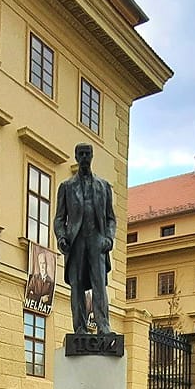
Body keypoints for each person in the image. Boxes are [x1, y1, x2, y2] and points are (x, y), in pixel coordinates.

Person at [53, 143, 116, 335]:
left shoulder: (103, 186)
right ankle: (79, 328)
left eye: (87, 154)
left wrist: (109, 238)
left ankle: (103, 327)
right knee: (77, 286)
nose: (84, 157)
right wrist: (62, 237)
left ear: (92, 156)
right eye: (81, 154)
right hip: (76, 240)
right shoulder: (66, 187)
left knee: (99, 285)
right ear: (76, 157)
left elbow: (111, 218)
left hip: (97, 239)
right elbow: (59, 218)